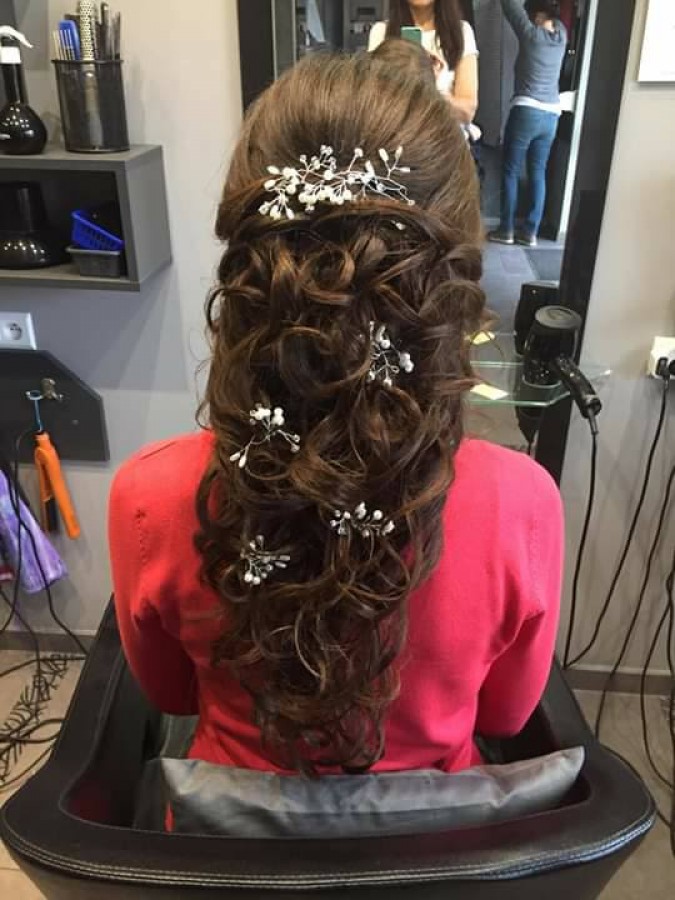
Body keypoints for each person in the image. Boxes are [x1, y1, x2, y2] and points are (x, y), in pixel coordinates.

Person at [109, 52, 563, 780]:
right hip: (438, 839)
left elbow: (171, 697)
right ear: (450, 268)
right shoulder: (522, 502)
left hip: (226, 837)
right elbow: (506, 717)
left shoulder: (150, 494)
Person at [488, 0, 568, 247]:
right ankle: (530, 232)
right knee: (538, 172)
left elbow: (510, 7)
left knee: (511, 170)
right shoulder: (562, 35)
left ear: (537, 14)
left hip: (527, 110)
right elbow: (552, 19)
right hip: (552, 114)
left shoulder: (531, 35)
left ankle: (507, 230)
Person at [368, 0, 479, 124]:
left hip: (446, 131)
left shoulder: (461, 31)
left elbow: (467, 111)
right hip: (397, 130)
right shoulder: (381, 32)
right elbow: (373, 102)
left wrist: (429, 89)